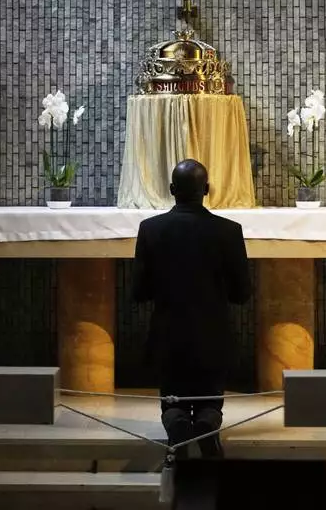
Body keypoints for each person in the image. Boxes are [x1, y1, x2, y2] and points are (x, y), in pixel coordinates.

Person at [131, 159, 251, 459]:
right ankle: (207, 425)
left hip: (168, 334)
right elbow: (242, 294)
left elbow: (140, 292)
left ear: (172, 189)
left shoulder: (150, 229)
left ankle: (178, 427)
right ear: (206, 189)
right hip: (213, 335)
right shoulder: (229, 231)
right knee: (211, 396)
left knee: (173, 397)